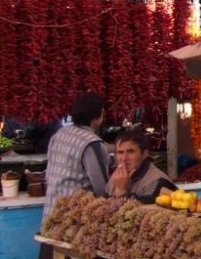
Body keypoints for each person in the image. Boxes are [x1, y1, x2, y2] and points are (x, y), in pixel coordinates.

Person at [43, 93, 110, 224]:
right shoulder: (92, 143)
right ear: (97, 115)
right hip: (73, 223)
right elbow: (102, 188)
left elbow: (48, 175)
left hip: (50, 217)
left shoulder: (60, 134)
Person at [107, 130, 177, 203]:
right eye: (120, 152)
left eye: (131, 152)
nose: (124, 158)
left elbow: (145, 212)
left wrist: (121, 192)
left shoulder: (157, 181)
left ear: (144, 154)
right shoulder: (116, 177)